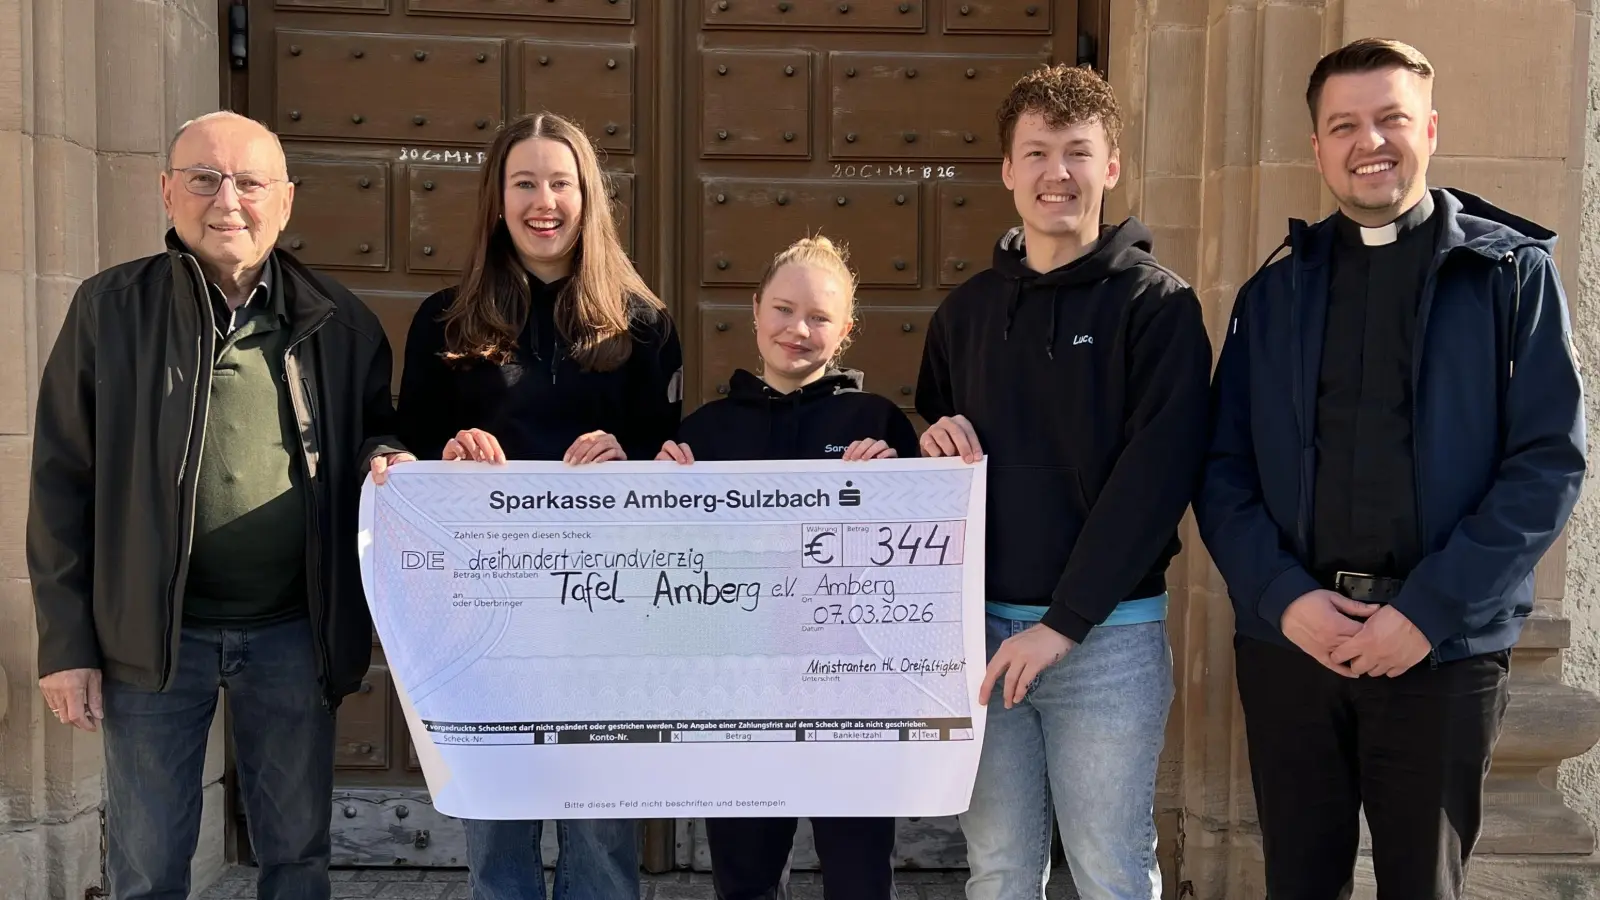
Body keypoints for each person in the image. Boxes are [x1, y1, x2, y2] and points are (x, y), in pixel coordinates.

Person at [1194, 38, 1586, 899]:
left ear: (1431, 130)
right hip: (1294, 645)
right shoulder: (1275, 293)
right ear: (1318, 148)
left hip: (1440, 652)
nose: (1369, 141)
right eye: (1345, 125)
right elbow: (1221, 468)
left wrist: (1428, 613)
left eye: (1390, 119)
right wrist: (1283, 599)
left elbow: (1546, 465)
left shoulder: (1511, 276)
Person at [27, 111, 411, 900]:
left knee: (296, 857)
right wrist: (66, 645)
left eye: (249, 181)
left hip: (292, 633)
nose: (226, 198)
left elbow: (377, 437)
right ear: (167, 191)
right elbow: (61, 481)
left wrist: (387, 459)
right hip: (152, 640)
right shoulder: (109, 312)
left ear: (287, 201)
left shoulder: (343, 323)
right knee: (147, 865)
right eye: (203, 178)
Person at [913, 63, 1211, 900]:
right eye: (1036, 153)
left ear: (1111, 167)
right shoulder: (964, 313)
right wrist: (926, 441)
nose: (1057, 174)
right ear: (1007, 170)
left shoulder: (1159, 309)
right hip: (979, 639)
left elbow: (1153, 484)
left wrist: (1063, 624)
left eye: (1078, 153)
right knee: (1000, 870)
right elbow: (941, 459)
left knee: (1112, 871)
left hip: (1107, 641)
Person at [392, 111, 683, 900]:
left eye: (561, 183)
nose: (543, 201)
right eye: (525, 183)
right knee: (499, 843)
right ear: (497, 199)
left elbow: (673, 472)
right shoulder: (442, 322)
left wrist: (631, 461)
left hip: (607, 624)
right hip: (486, 625)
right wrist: (446, 461)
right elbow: (402, 464)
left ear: (588, 198)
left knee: (601, 844)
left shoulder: (646, 325)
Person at [658, 234, 918, 900]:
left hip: (852, 697)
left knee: (860, 878)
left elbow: (922, 560)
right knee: (744, 880)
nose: (797, 330)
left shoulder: (878, 422)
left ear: (847, 330)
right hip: (738, 696)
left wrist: (894, 488)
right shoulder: (704, 432)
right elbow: (666, 570)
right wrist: (662, 499)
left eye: (819, 317)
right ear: (753, 310)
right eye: (782, 309)